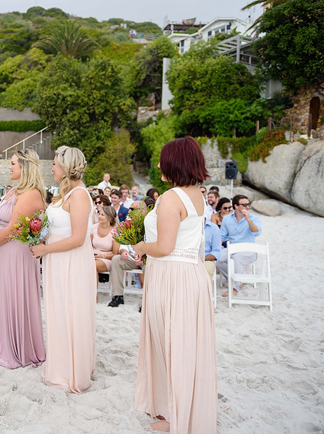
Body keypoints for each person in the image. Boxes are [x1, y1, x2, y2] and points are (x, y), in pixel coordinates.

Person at [132, 136, 217, 433]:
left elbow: (165, 246)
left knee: (170, 345)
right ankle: (180, 409)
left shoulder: (170, 198)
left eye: (163, 160)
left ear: (175, 163)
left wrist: (141, 247)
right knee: (184, 347)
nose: (158, 165)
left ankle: (175, 418)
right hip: (192, 275)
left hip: (172, 277)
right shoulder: (198, 195)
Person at [31, 146, 96, 393]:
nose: (52, 168)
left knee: (71, 313)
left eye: (55, 165)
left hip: (71, 262)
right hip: (57, 260)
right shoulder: (64, 194)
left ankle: (71, 372)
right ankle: (60, 365)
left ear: (66, 169)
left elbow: (79, 238)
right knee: (58, 312)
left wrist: (45, 250)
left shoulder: (79, 196)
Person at [0, 149, 46, 369]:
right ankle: (2, 342)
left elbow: (12, 228)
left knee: (13, 294)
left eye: (13, 163)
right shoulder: (14, 190)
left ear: (25, 167)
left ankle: (18, 349)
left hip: (15, 252)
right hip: (2, 250)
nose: (9, 167)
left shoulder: (31, 194)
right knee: (2, 294)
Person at [217, 194, 262, 297]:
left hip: (248, 251)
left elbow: (257, 232)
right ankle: (234, 278)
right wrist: (215, 248)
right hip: (232, 248)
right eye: (244, 204)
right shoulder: (227, 219)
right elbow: (222, 236)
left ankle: (235, 288)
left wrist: (248, 220)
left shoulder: (253, 218)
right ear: (236, 206)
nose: (247, 207)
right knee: (217, 258)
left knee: (237, 258)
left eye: (248, 204)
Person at [92, 205, 117, 287]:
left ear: (109, 218)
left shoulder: (115, 232)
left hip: (107, 259)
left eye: (102, 215)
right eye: (99, 214)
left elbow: (116, 254)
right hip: (92, 257)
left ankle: (93, 296)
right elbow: (88, 246)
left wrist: (102, 255)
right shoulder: (93, 228)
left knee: (91, 266)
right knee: (83, 264)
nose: (99, 216)